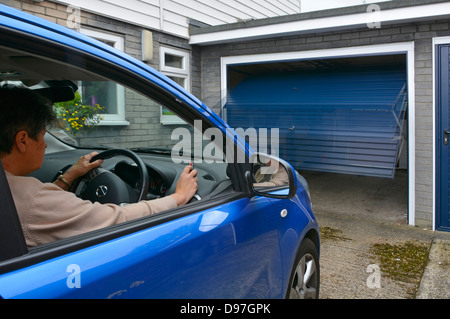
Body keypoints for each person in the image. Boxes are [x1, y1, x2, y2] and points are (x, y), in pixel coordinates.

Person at [0, 85, 198, 247]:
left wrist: (70, 176)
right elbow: (119, 219)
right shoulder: (31, 200)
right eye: (43, 136)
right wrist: (178, 197)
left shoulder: (15, 193)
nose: (44, 144)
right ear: (23, 141)